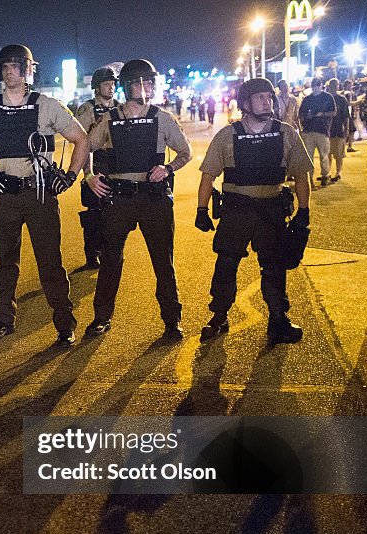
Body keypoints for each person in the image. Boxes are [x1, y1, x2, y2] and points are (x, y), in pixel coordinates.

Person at [0, 44, 89, 347]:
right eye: (5, 66)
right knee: (6, 262)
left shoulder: (47, 105)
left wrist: (71, 176)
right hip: (4, 197)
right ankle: (3, 320)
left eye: (15, 65)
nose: (9, 71)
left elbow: (81, 140)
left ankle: (64, 323)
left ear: (28, 70)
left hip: (39, 195)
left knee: (50, 261)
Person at [195, 78, 313, 346]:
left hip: (271, 210)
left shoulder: (286, 133)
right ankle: (219, 316)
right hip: (237, 211)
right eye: (260, 97)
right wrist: (202, 210)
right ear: (245, 104)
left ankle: (278, 319)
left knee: (274, 267)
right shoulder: (228, 135)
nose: (266, 102)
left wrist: (304, 210)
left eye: (269, 97)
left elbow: (301, 175)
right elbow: (208, 176)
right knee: (226, 266)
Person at [85, 58, 192, 341]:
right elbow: (86, 146)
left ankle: (172, 321)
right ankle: (101, 317)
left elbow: (185, 152)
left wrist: (167, 169)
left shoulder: (161, 118)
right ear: (126, 87)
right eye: (138, 82)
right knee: (110, 260)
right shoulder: (110, 119)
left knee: (163, 262)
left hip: (153, 198)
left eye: (148, 82)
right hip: (118, 198)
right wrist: (89, 177)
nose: (144, 87)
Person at [74, 66, 120, 270]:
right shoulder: (87, 109)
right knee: (94, 215)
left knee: (116, 215)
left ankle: (111, 254)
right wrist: (88, 174)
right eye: (106, 84)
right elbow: (82, 143)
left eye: (112, 84)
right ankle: (92, 256)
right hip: (95, 164)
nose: (110, 87)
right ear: (96, 86)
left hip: (117, 167)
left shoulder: (121, 107)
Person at [299, 76, 336, 187]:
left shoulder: (327, 97)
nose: (315, 89)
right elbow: (301, 114)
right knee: (309, 157)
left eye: (317, 86)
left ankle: (325, 176)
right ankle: (309, 179)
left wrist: (322, 114)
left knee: (324, 155)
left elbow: (334, 112)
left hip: (322, 130)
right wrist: (306, 118)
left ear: (321, 86)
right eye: (313, 86)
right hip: (309, 131)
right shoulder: (307, 99)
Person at [326, 78, 350, 182]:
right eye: (333, 85)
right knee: (327, 153)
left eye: (336, 85)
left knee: (339, 153)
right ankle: (327, 172)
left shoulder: (342, 99)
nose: (335, 87)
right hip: (327, 130)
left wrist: (347, 129)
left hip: (338, 130)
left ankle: (338, 172)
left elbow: (346, 116)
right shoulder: (325, 98)